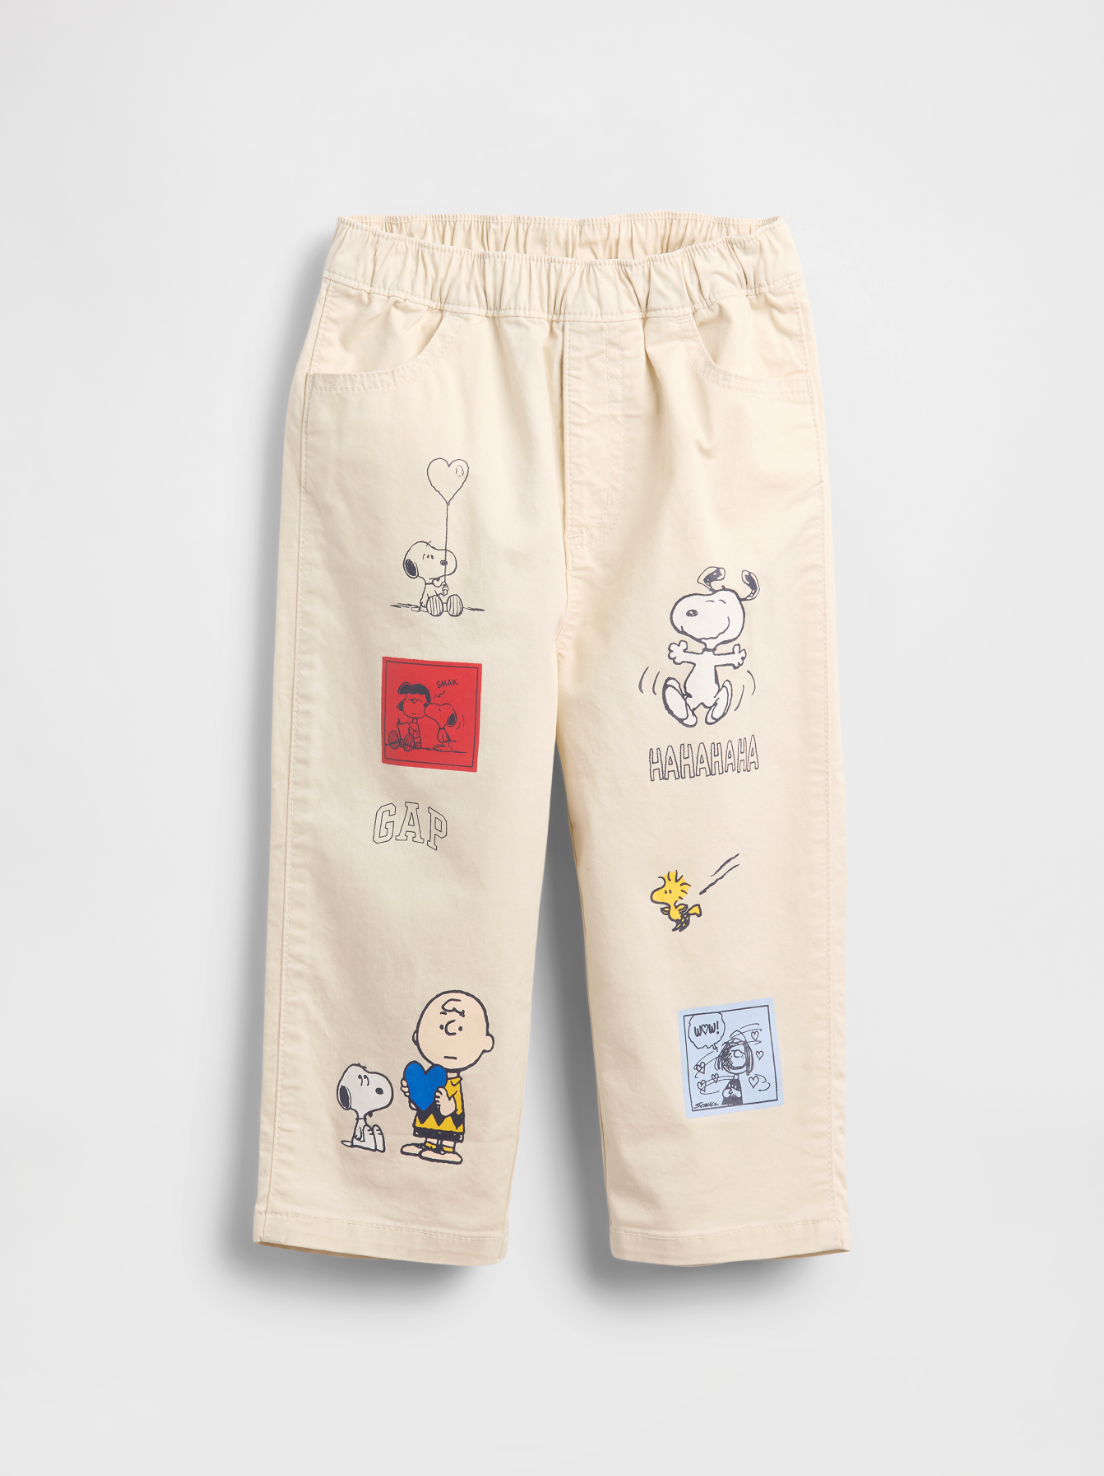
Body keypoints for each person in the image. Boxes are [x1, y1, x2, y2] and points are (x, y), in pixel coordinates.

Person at [400, 992, 494, 1165]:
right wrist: (413, 1093)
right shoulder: (433, 1076)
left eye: (460, 1029)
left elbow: (456, 1107)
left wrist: (449, 1106)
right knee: (430, 1126)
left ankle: (448, 1149)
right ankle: (429, 1144)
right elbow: (422, 1100)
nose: (450, 1032)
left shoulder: (454, 1083)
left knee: (448, 1128)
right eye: (441, 1027)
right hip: (428, 1118)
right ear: (417, 1036)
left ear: (486, 1043)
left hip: (450, 1122)